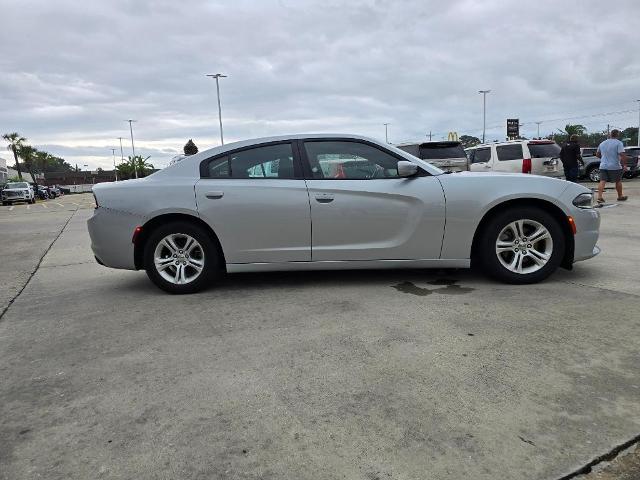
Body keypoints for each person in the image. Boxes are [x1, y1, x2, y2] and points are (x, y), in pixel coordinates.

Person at [596, 129, 628, 204]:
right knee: (618, 180)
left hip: (603, 166)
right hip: (615, 166)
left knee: (602, 181)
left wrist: (604, 159)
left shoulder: (602, 143)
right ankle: (620, 196)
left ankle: (599, 197)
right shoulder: (618, 143)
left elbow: (597, 154)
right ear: (617, 135)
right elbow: (622, 155)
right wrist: (625, 165)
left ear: (610, 134)